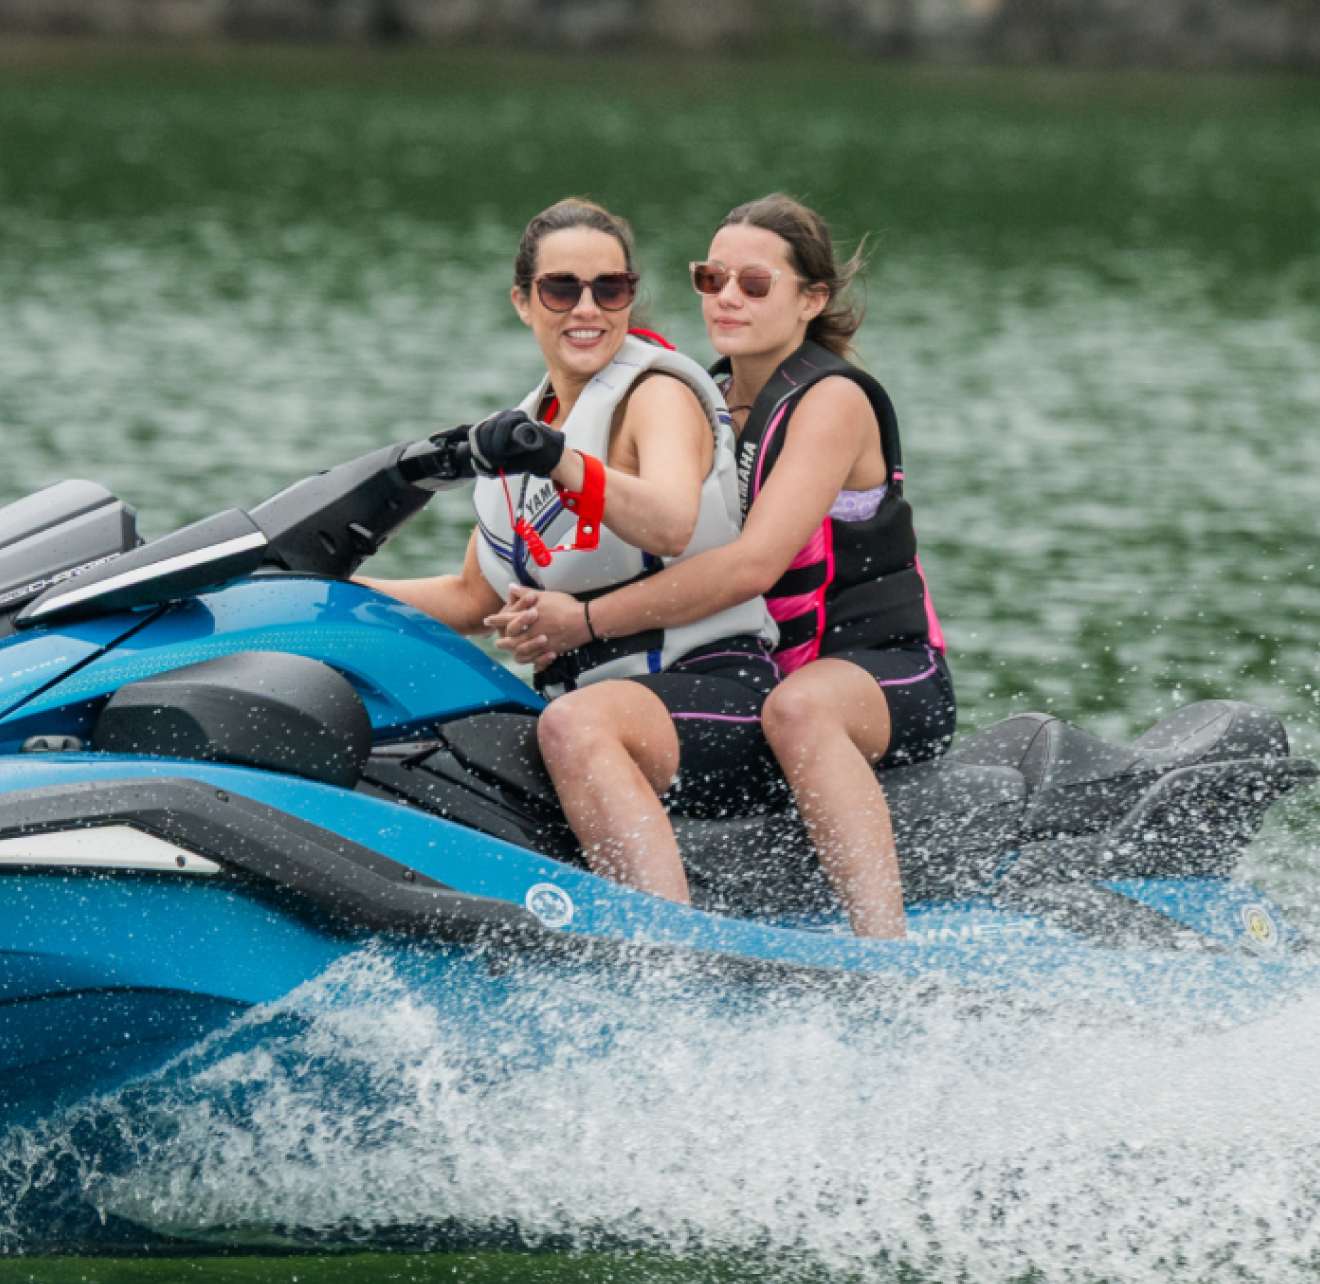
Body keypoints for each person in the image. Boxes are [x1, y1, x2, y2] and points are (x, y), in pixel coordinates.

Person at [491, 194, 952, 939]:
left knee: (800, 709)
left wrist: (582, 622)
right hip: (765, 679)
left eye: (754, 283)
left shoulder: (830, 400)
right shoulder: (703, 397)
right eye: (711, 279)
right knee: (769, 703)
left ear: (813, 298)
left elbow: (750, 568)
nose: (727, 298)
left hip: (882, 672)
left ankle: (883, 950)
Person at [360, 198, 783, 901]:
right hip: (594, 711)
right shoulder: (527, 426)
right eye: (562, 288)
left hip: (713, 689)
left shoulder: (653, 395)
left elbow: (671, 521)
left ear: (630, 296)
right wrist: (312, 593)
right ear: (524, 302)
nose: (587, 308)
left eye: (608, 289)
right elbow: (471, 598)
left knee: (573, 722)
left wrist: (558, 460)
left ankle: (666, 957)